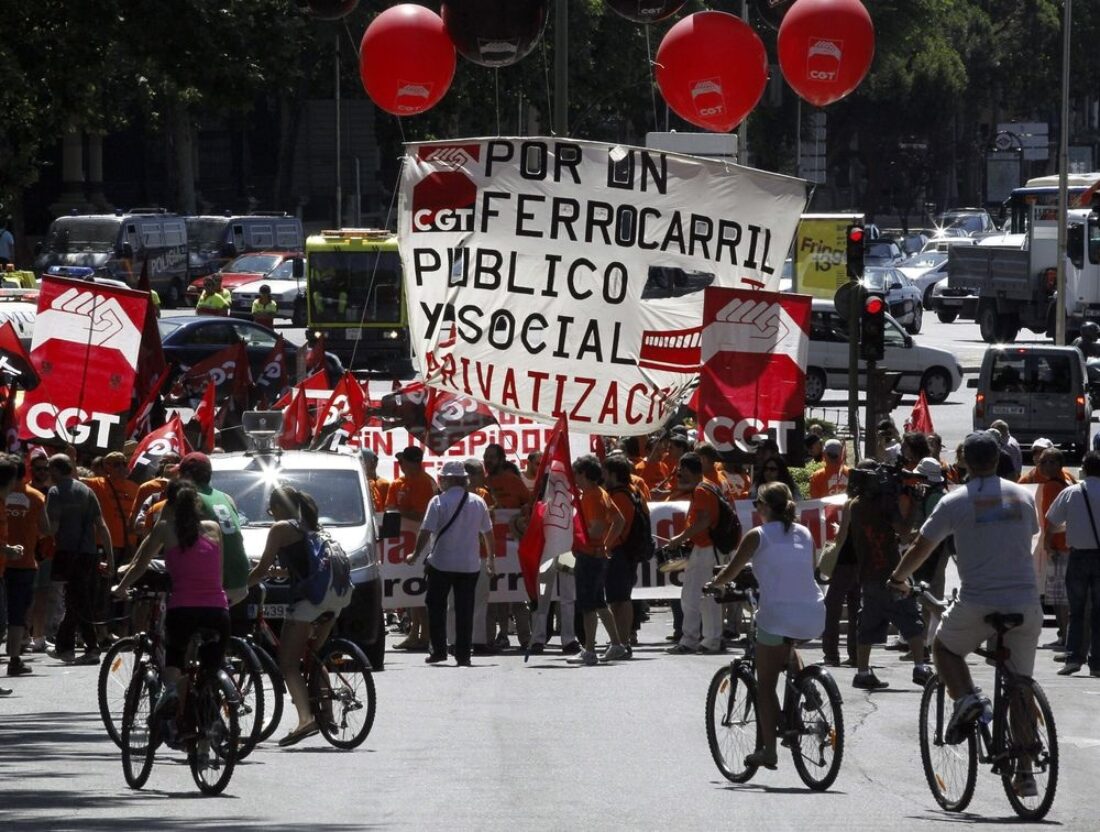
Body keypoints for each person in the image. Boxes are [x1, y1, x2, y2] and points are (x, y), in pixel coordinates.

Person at [891, 431, 1044, 798]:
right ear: (997, 459)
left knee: (943, 649)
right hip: (1025, 603)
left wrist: (898, 577)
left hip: (979, 601)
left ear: (963, 465)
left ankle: (967, 699)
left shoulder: (955, 500)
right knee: (1020, 685)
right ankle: (1025, 772)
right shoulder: (1023, 496)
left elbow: (921, 546)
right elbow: (1031, 533)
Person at [706, 482, 825, 770]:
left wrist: (714, 585)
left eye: (757, 504)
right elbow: (802, 568)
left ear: (765, 507)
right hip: (813, 612)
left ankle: (769, 751)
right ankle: (807, 688)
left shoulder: (757, 535)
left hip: (777, 614)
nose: (756, 509)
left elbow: (732, 569)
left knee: (766, 685)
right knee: (788, 642)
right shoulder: (805, 532)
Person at [113, 481, 228, 727]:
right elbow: (218, 571)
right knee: (211, 670)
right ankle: (211, 728)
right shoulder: (214, 528)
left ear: (169, 504)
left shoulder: (165, 528)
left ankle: (172, 692)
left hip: (183, 608)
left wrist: (121, 587)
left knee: (175, 657)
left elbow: (139, 565)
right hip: (218, 610)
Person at [248, 486, 352, 744]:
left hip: (309, 601)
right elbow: (304, 567)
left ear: (279, 507)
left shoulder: (281, 529)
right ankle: (326, 715)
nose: (272, 515)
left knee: (288, 663)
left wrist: (239, 586)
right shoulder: (315, 528)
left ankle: (306, 720)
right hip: (336, 597)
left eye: (271, 510)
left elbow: (261, 569)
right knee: (314, 657)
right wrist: (278, 574)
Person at [846, 460, 932, 690]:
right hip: (892, 573)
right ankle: (920, 668)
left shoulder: (855, 505)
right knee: (911, 620)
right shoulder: (884, 505)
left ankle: (863, 672)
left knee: (868, 623)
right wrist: (914, 503)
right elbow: (904, 533)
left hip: (868, 574)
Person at [403, 462, 493, 667]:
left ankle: (439, 650)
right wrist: (491, 560)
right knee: (465, 610)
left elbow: (425, 531)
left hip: (441, 563)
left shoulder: (438, 502)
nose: (440, 482)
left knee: (435, 607)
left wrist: (415, 554)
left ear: (449, 480)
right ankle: (463, 654)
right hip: (469, 565)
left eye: (442, 478)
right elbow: (488, 533)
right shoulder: (478, 502)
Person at [46, 454, 114, 665]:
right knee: (77, 599)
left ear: (57, 470)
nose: (48, 474)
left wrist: (38, 529)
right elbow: (101, 525)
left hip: (67, 552)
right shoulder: (87, 490)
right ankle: (65, 647)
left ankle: (90, 647)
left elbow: (53, 527)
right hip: (88, 554)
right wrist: (110, 557)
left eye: (50, 470)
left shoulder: (55, 492)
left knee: (78, 600)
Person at [1043, 451, 1100, 677]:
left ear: (1084, 469)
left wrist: (1048, 544)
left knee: (1076, 611)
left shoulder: (1072, 492)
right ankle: (1097, 663)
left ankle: (1074, 658)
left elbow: (1052, 520)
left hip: (1078, 557)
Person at [569, 455, 627, 665]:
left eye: (576, 473)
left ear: (584, 474)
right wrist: (606, 544)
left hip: (589, 557)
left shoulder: (592, 496)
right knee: (598, 603)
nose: (574, 477)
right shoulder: (600, 493)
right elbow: (618, 520)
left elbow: (596, 528)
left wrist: (576, 537)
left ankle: (590, 650)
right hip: (597, 555)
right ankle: (616, 644)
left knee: (588, 606)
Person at [665, 453, 724, 655]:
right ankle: (708, 640)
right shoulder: (709, 485)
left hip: (707, 549)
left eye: (680, 470)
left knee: (695, 597)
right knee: (705, 597)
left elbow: (704, 521)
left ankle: (694, 640)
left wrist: (679, 538)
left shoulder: (701, 489)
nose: (678, 474)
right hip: (708, 548)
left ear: (688, 469)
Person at [178, 452, 249, 607]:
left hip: (220, 582)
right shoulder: (226, 498)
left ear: (187, 476)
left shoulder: (189, 497)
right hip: (241, 580)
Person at [386, 446, 437, 651]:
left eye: (403, 461)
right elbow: (388, 510)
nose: (401, 465)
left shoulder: (426, 483)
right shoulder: (397, 483)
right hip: (401, 544)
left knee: (421, 590)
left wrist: (402, 511)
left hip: (423, 544)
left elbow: (423, 516)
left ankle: (425, 634)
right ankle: (415, 633)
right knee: (410, 591)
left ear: (414, 462)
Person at [4, 457, 50, 677]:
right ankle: (14, 659)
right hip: (23, 563)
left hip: (7, 563)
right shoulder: (36, 496)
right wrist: (29, 534)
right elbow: (46, 528)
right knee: (17, 614)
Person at [602, 455, 641, 653]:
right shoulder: (633, 491)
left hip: (619, 551)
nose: (603, 475)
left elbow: (619, 524)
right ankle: (619, 640)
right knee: (619, 598)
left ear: (613, 474)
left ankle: (622, 642)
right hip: (626, 552)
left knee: (620, 600)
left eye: (605, 472)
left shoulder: (618, 495)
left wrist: (605, 546)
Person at [1035, 449, 1072, 651]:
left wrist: (1048, 544)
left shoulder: (1052, 486)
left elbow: (1052, 520)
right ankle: (1065, 635)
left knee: (1059, 597)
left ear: (1058, 465)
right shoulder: (1065, 483)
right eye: (1041, 461)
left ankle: (1065, 636)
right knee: (1061, 596)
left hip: (1059, 547)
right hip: (1066, 545)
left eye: (1048, 461)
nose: (1043, 465)